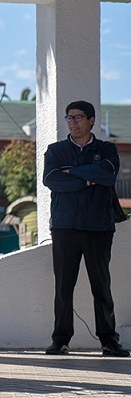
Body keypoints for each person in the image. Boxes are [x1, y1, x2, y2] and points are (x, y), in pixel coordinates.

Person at [43, 100, 129, 357]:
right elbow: (52, 180)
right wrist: (88, 179)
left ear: (91, 120)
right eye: (69, 118)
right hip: (64, 227)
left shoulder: (106, 150)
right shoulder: (55, 150)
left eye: (78, 117)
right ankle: (60, 339)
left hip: (98, 228)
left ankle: (109, 341)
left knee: (101, 285)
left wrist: (73, 173)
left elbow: (108, 175)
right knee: (63, 287)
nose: (73, 122)